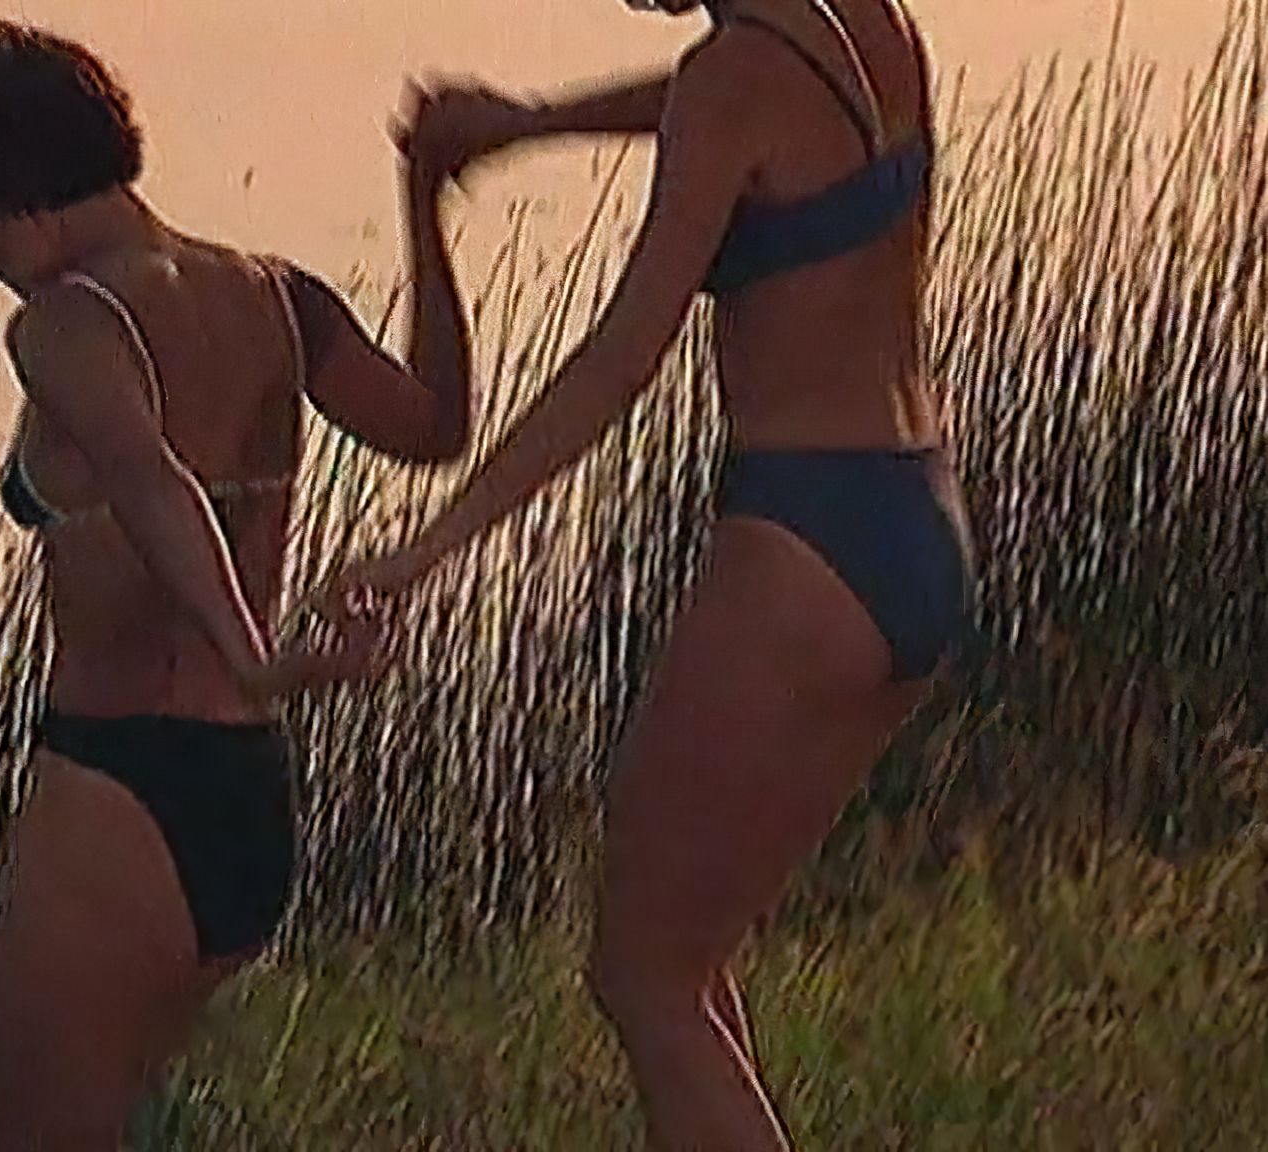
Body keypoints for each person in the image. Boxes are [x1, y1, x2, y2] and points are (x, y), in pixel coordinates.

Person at [332, 1, 976, 1148]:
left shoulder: (732, 80)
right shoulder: (864, 25)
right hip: (915, 516)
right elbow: (708, 105)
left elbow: (621, 360)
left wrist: (425, 548)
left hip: (804, 543)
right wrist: (530, 124)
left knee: (641, 977)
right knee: (688, 961)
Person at [0, 18, 474, 1147]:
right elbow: (435, 426)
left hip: (119, 790)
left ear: (17, 192)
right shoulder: (278, 297)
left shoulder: (66, 321)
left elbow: (150, 480)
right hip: (245, 798)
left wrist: (255, 657)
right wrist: (424, 208)